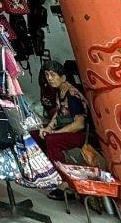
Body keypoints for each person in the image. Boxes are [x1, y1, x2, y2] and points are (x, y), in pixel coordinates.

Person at [32, 61, 88, 199]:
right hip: (65, 131)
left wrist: (55, 132)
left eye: (53, 75)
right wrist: (48, 128)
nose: (49, 78)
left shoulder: (72, 94)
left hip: (78, 135)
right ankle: (47, 173)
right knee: (34, 136)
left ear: (63, 77)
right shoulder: (59, 91)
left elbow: (79, 124)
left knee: (52, 140)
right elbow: (59, 112)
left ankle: (64, 186)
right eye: (47, 75)